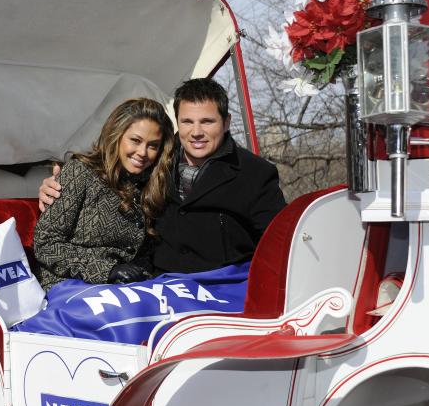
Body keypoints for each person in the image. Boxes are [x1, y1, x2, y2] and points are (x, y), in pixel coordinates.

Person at [39, 78, 286, 275]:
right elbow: (103, 177)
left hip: (220, 285)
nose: (197, 132)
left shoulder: (255, 173)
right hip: (159, 284)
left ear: (226, 122)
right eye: (188, 122)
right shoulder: (157, 162)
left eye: (207, 121)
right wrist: (56, 186)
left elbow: (279, 243)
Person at [33, 98, 175, 293]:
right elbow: (46, 243)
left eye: (153, 145)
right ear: (116, 135)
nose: (142, 152)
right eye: (135, 140)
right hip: (70, 285)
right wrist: (107, 270)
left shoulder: (152, 185)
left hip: (126, 288)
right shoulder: (81, 172)